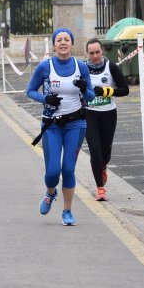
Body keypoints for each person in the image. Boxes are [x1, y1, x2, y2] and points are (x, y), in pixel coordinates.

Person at [27, 28, 95, 226]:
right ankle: (50, 193)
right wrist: (45, 98)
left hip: (76, 123)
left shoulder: (80, 66)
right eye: (59, 40)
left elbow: (91, 96)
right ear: (54, 44)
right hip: (52, 125)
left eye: (67, 39)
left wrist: (84, 89)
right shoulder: (45, 67)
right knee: (52, 172)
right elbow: (30, 90)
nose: (63, 43)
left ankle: (67, 211)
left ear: (72, 44)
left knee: (68, 169)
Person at [84, 38, 129, 201]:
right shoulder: (82, 68)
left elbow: (125, 90)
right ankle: (100, 188)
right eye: (91, 53)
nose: (95, 56)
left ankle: (103, 166)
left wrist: (105, 92)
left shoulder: (111, 67)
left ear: (102, 51)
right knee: (95, 151)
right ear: (87, 54)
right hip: (90, 114)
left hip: (109, 114)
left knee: (106, 152)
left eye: (97, 52)